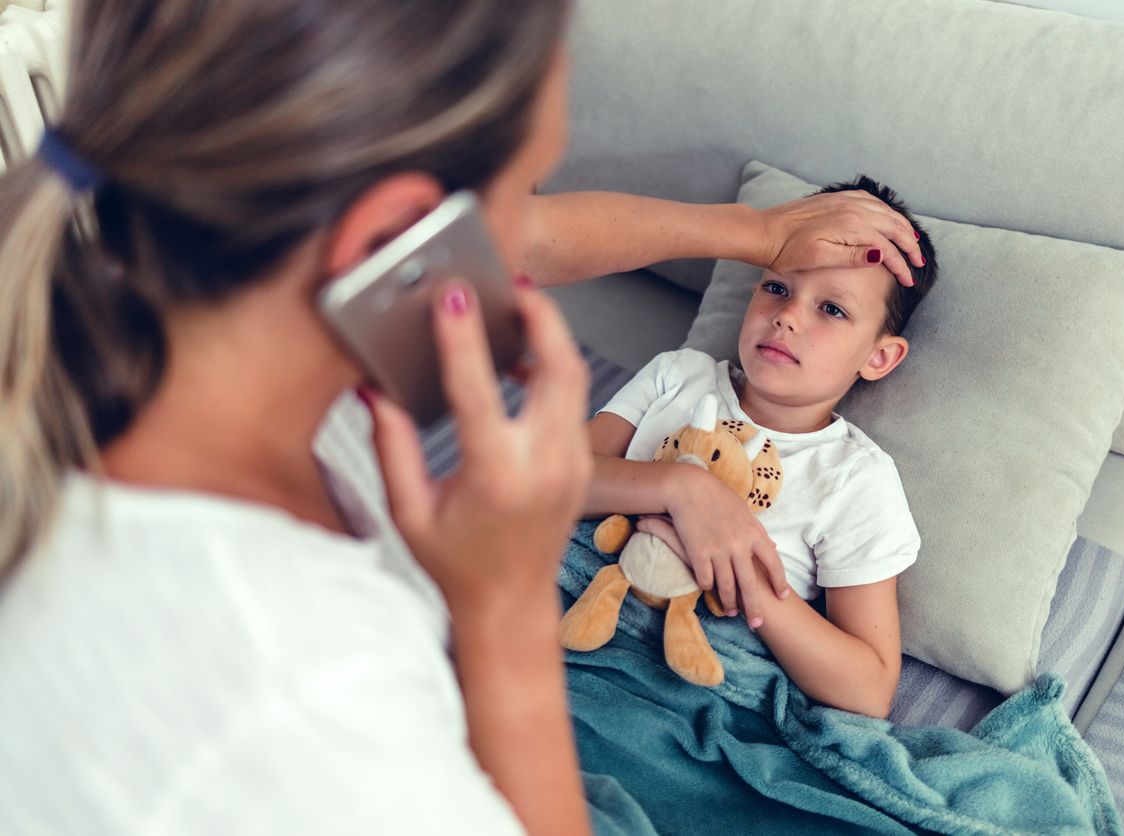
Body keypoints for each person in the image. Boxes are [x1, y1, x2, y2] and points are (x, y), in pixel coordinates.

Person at [0, 1, 926, 833]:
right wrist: (503, 610)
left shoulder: (167, 362)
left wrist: (752, 232)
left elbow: (528, 239)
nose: (520, 250)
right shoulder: (297, 682)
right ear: (394, 237)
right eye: (525, 187)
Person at [582, 177, 938, 717]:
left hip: (689, 687)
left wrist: (741, 570)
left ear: (880, 357)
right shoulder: (678, 377)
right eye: (777, 287)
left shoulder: (854, 478)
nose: (788, 315)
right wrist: (676, 489)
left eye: (833, 310)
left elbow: (868, 689)